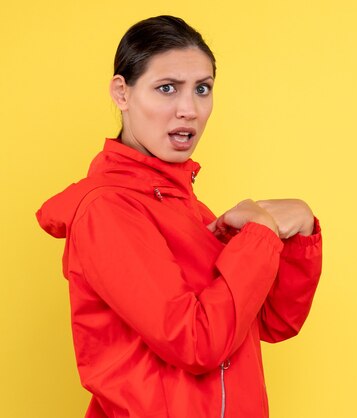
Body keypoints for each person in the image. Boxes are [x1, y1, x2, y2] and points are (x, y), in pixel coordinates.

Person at [36, 15, 322, 418]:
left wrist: (299, 231)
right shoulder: (108, 210)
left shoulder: (190, 210)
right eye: (167, 88)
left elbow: (273, 322)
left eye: (202, 89)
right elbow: (196, 341)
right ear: (122, 93)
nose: (188, 110)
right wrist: (260, 233)